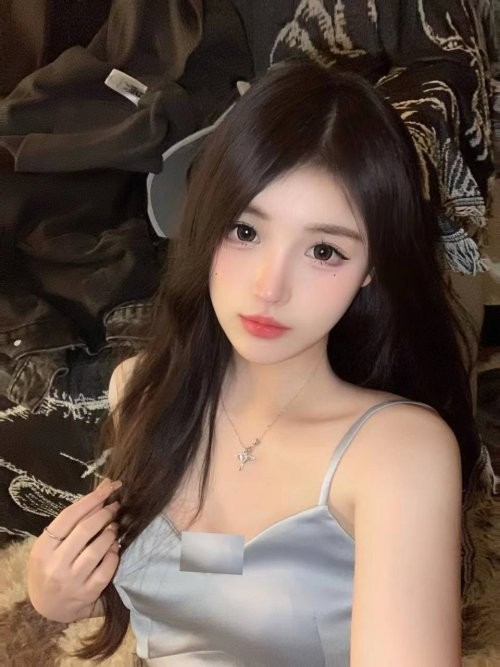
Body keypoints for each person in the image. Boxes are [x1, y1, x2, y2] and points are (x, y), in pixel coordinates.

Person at [27, 60, 480, 666]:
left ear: (371, 267)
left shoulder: (396, 454)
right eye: (244, 232)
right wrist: (57, 593)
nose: (270, 287)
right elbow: (207, 572)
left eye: (324, 250)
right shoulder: (141, 391)